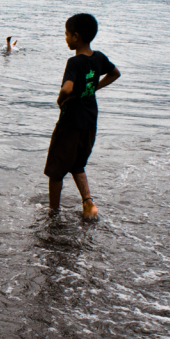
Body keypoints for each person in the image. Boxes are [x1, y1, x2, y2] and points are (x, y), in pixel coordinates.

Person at [45, 13, 121, 218]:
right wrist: (95, 87)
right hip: (89, 121)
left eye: (67, 34)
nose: (66, 38)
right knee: (77, 163)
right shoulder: (99, 58)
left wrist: (60, 101)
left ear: (76, 36)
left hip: (70, 123)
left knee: (56, 169)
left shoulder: (74, 62)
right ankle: (88, 203)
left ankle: (53, 212)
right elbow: (115, 73)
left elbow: (67, 89)